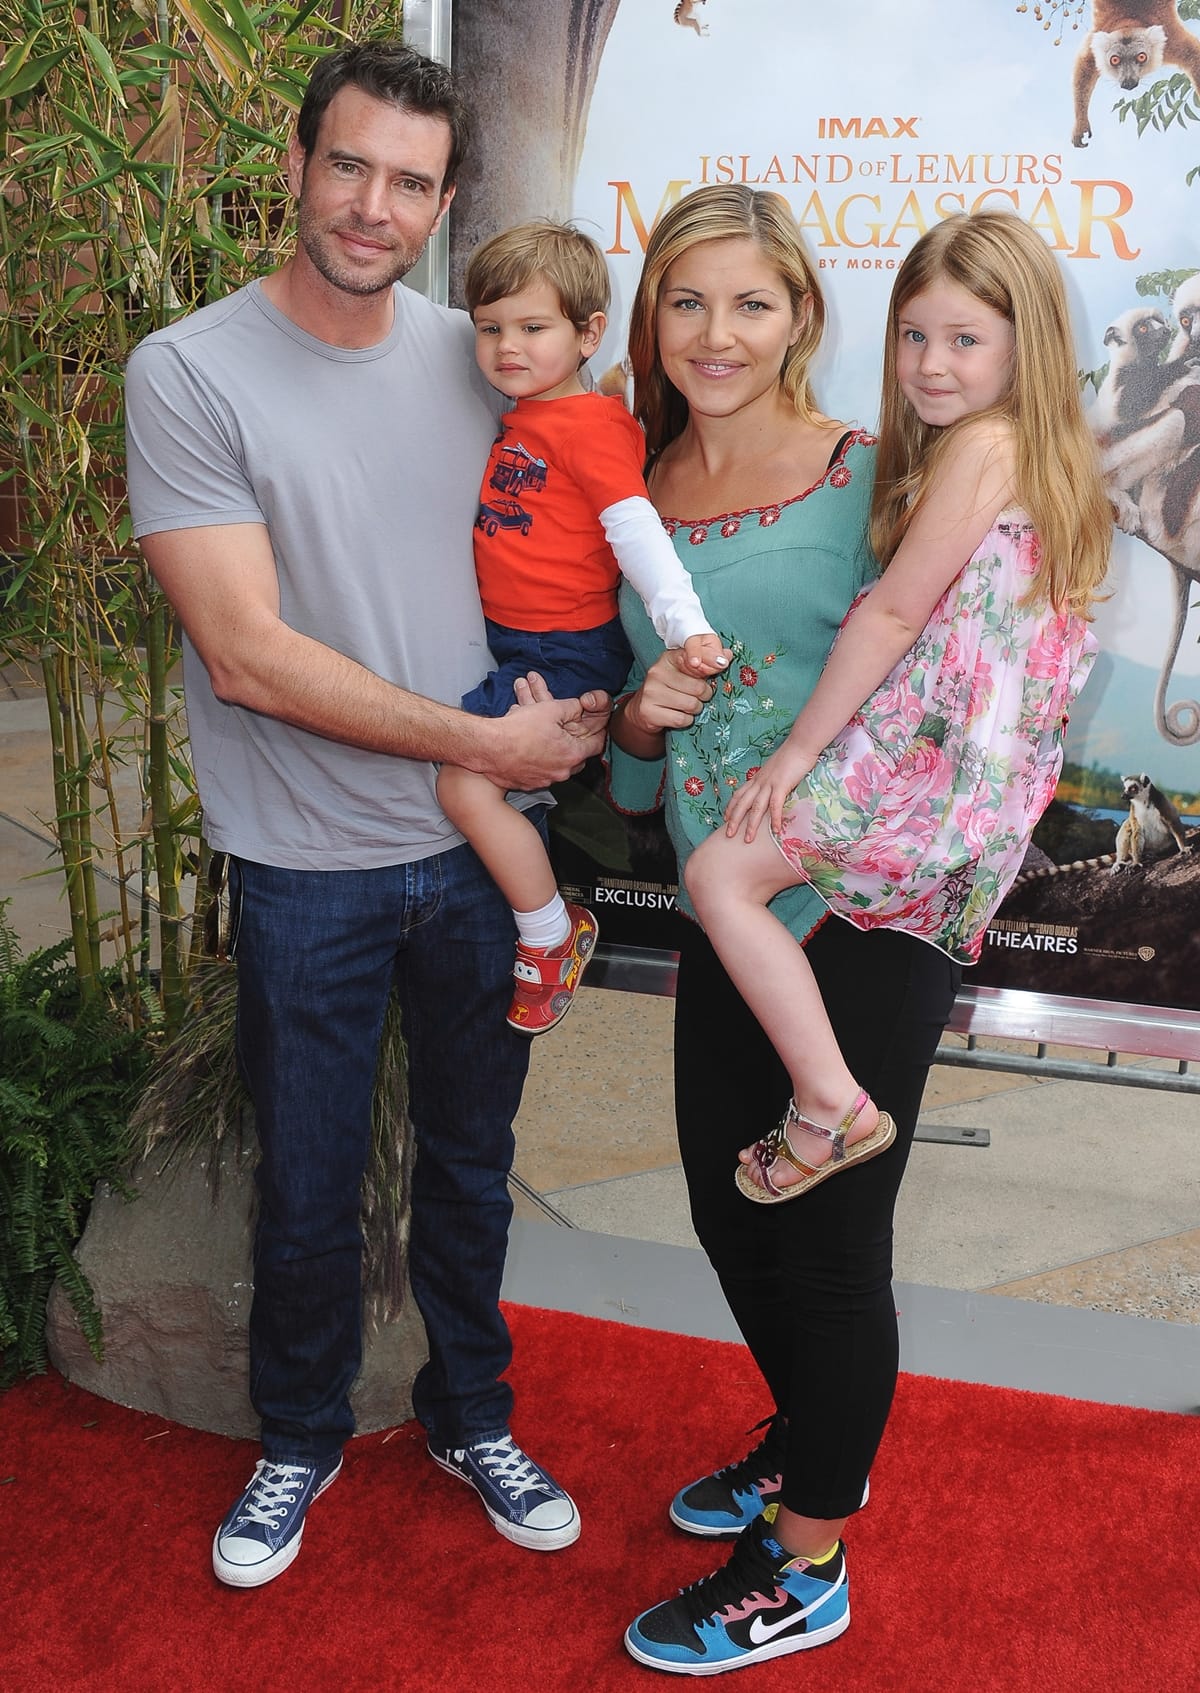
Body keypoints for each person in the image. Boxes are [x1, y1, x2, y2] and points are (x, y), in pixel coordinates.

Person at [124, 42, 610, 1589]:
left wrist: (610, 705)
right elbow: (246, 654)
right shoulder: (185, 371)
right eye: (349, 166)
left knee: (473, 1161)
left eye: (411, 181)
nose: (373, 204)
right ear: (296, 167)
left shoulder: (484, 355)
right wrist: (491, 744)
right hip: (304, 861)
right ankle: (299, 1435)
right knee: (311, 1175)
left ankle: (472, 1411)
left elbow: (594, 537)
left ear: (448, 201)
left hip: (479, 861)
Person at [604, 184, 962, 1675]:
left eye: (751, 302)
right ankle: (811, 1437)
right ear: (653, 320)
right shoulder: (629, 481)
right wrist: (641, 712)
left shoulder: (876, 470)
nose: (717, 333)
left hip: (863, 902)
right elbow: (632, 775)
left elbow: (956, 675)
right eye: (686, 301)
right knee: (720, 1199)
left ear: (805, 315)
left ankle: (808, 1559)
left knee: (829, 1240)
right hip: (722, 900)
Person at [684, 210, 1109, 1208]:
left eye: (965, 340)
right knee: (743, 887)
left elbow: (890, 616)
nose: (930, 364)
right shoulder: (1042, 455)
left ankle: (831, 1104)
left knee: (717, 874)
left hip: (921, 765)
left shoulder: (985, 447)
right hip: (975, 784)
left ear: (1024, 344)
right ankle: (827, 1096)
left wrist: (793, 755)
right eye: (914, 335)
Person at [437, 220, 727, 1035]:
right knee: (476, 781)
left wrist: (685, 625)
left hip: (561, 648)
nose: (506, 347)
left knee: (463, 782)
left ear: (587, 332)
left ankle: (548, 935)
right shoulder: (528, 415)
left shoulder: (591, 426)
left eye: (532, 328)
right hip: (520, 640)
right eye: (490, 328)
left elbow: (636, 531)